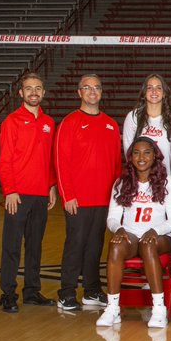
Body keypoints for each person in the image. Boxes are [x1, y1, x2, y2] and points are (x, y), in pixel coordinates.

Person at [96, 137, 171, 328]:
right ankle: (113, 308)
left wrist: (155, 230)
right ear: (130, 157)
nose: (141, 157)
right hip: (131, 235)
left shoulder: (167, 182)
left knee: (148, 243)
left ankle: (159, 308)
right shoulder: (121, 182)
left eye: (147, 152)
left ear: (155, 156)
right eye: (136, 153)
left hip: (159, 237)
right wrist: (118, 229)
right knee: (116, 245)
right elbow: (112, 217)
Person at [54, 74, 122, 312]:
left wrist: (116, 200)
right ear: (79, 92)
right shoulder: (69, 123)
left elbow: (116, 164)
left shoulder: (111, 124)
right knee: (76, 244)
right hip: (78, 200)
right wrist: (67, 194)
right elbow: (61, 162)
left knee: (95, 245)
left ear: (101, 92)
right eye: (87, 88)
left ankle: (92, 290)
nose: (92, 91)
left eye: (97, 87)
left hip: (103, 199)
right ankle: (66, 292)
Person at [0, 72, 57, 312]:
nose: (34, 92)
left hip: (41, 194)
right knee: (11, 245)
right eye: (29, 88)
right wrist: (9, 190)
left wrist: (51, 185)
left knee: (35, 246)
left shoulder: (48, 123)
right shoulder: (11, 121)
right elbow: (5, 160)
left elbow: (50, 159)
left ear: (43, 92)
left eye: (38, 88)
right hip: (18, 195)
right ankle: (8, 293)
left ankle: (32, 291)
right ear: (20, 93)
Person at [122, 73, 171, 177]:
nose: (154, 91)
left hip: (167, 177)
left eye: (158, 88)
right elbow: (129, 151)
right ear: (144, 92)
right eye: (150, 88)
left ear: (164, 93)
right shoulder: (133, 117)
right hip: (141, 178)